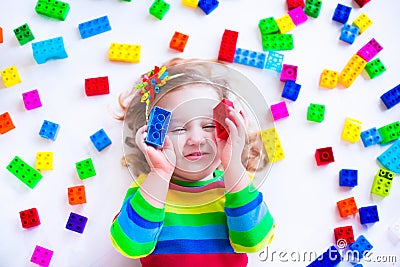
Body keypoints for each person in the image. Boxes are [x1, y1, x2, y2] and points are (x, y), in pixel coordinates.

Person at [110, 58, 275, 267]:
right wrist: (159, 173)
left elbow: (254, 241)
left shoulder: (236, 185)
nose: (196, 139)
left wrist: (233, 165)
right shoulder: (148, 190)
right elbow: (130, 246)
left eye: (208, 126)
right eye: (179, 129)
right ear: (154, 135)